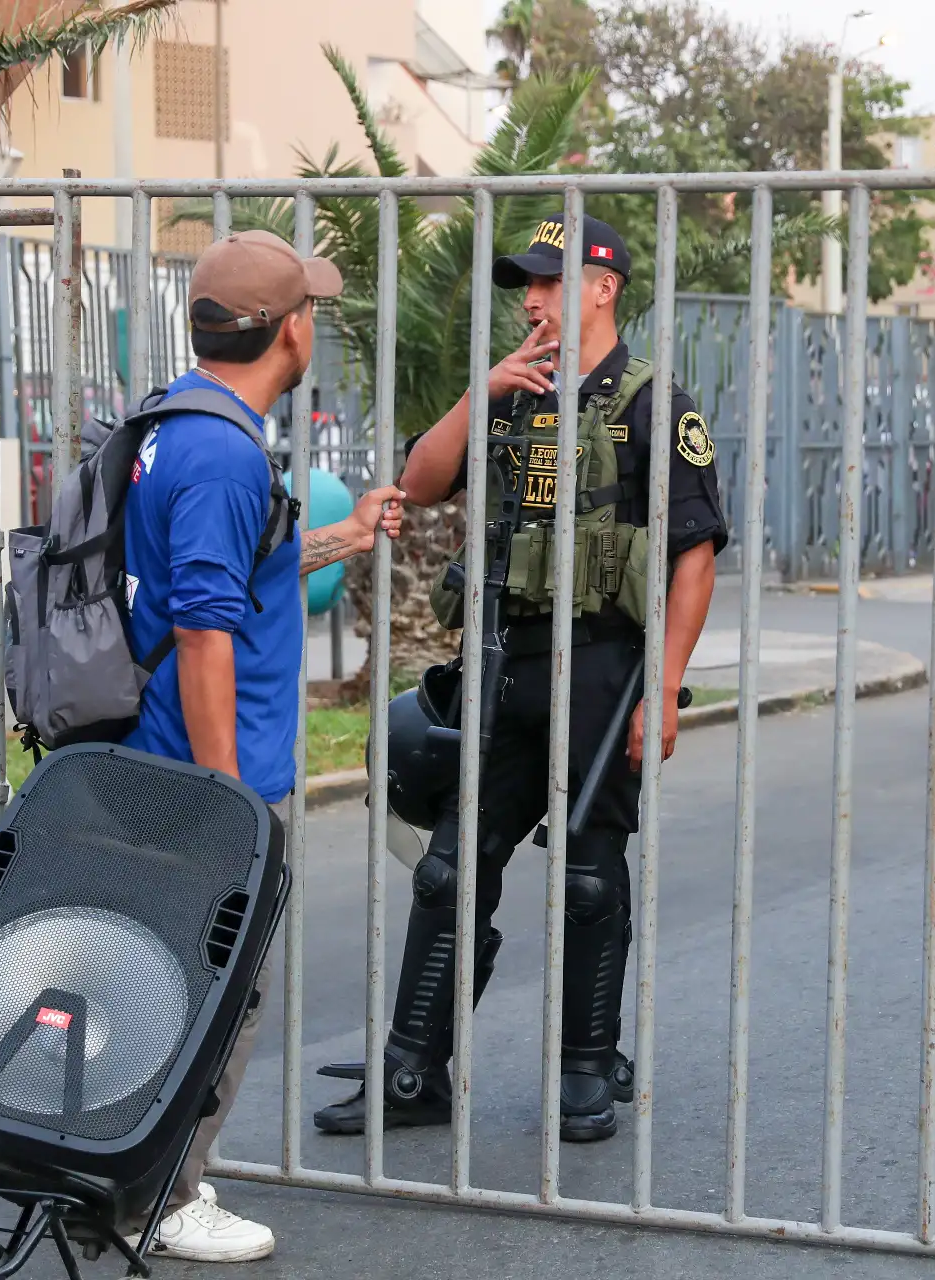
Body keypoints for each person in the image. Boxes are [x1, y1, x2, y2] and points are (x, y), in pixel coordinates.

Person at [313, 215, 727, 1142]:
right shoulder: (510, 395)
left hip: (606, 666)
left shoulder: (656, 404)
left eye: (550, 282)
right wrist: (481, 390)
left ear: (604, 288)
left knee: (588, 875)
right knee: (450, 869)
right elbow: (421, 483)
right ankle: (412, 1075)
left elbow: (694, 555)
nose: (532, 300)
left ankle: (585, 1070)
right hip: (505, 661)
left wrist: (662, 690)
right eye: (527, 285)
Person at [121, 229, 405, 1261]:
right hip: (206, 776)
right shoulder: (225, 454)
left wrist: (347, 534)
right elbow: (204, 631)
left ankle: (121, 1171)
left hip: (152, 760)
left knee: (162, 981)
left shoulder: (177, 420)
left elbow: (239, 574)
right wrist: (228, 803)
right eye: (310, 307)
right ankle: (159, 1196)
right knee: (216, 991)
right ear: (289, 330)